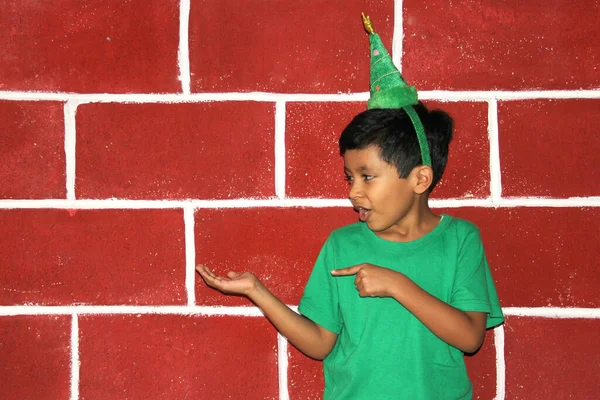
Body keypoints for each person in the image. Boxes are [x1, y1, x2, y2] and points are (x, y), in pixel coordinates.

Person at [197, 14, 503, 400]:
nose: (354, 193)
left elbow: (471, 336)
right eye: (349, 178)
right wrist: (257, 291)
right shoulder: (342, 245)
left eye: (368, 177)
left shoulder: (460, 239)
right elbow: (321, 343)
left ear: (419, 179)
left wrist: (395, 283)